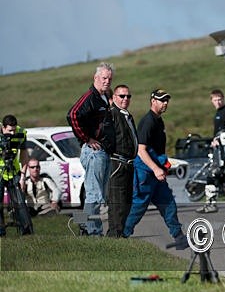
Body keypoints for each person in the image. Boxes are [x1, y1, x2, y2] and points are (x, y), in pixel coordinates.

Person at [123, 89, 188, 249]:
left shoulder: (159, 121)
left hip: (155, 172)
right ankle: (121, 236)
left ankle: (179, 237)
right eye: (161, 100)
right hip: (145, 172)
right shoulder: (148, 121)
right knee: (138, 207)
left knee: (168, 203)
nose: (165, 103)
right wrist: (155, 168)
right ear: (153, 101)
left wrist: (162, 165)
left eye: (166, 100)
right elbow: (141, 150)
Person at [67, 62, 116, 236]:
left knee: (95, 194)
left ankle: (83, 226)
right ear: (96, 78)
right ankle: (94, 232)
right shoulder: (90, 97)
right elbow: (73, 114)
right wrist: (86, 138)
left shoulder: (103, 97)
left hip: (103, 151)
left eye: (110, 78)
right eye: (104, 78)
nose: (107, 81)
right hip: (94, 152)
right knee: (95, 195)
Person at [196, 89, 225, 213]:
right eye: (215, 100)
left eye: (220, 99)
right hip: (217, 149)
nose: (218, 102)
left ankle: (213, 203)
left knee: (213, 175)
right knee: (219, 177)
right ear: (211, 101)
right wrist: (215, 140)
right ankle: (211, 203)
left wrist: (224, 138)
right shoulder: (218, 113)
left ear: (223, 99)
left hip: (224, 151)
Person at [107, 85, 137, 237]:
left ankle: (121, 235)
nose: (125, 99)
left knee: (127, 202)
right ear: (114, 98)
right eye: (122, 96)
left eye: (128, 96)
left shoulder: (127, 115)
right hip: (117, 162)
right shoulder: (112, 114)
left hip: (129, 163)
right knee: (117, 202)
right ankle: (114, 236)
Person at [0, 115, 28, 236]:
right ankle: (1, 231)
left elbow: (24, 154)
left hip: (14, 171)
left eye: (14, 130)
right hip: (1, 171)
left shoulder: (21, 133)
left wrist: (23, 176)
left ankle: (26, 231)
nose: (12, 133)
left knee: (20, 202)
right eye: (9, 130)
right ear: (3, 127)